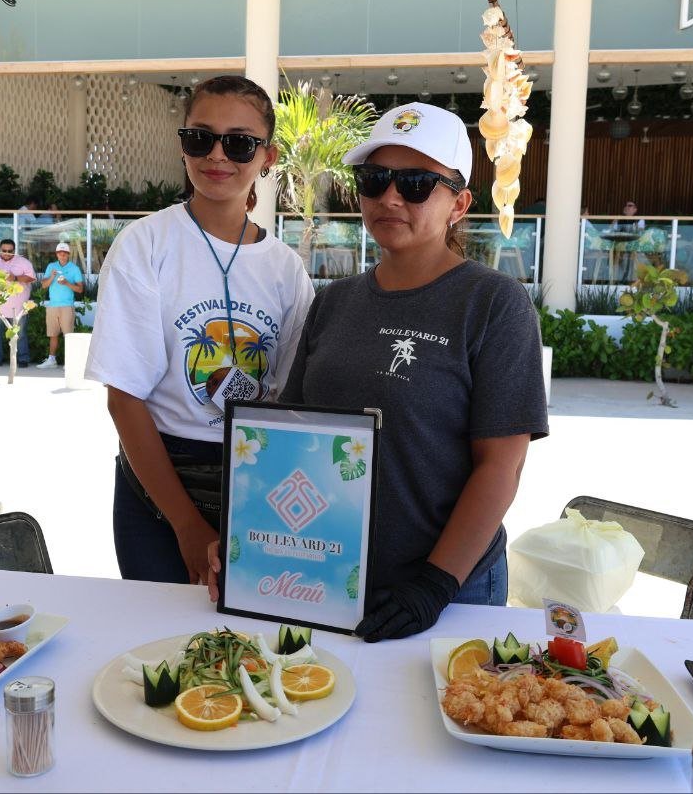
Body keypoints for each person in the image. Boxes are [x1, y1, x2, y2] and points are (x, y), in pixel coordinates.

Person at [209, 103, 548, 641]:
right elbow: (292, 440)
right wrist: (247, 543)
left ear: (459, 204)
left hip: (452, 593)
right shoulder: (333, 302)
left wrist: (435, 584)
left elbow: (501, 465)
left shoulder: (493, 304)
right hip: (327, 578)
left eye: (416, 184)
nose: (390, 197)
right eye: (374, 179)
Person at [86, 75, 314, 585]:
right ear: (183, 145)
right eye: (200, 138)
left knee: (245, 632)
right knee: (159, 628)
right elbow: (124, 398)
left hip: (259, 478)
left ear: (268, 157)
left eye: (239, 143)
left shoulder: (285, 268)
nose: (216, 155)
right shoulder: (145, 245)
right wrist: (186, 525)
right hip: (159, 480)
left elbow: (292, 400)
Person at [0, 238, 36, 368]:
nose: (7, 253)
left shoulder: (23, 262)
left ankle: (22, 359)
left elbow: (31, 278)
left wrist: (15, 277)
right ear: (0, 249)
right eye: (4, 250)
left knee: (20, 334)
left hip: (17, 307)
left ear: (14, 250)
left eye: (10, 251)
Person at [35, 241, 83, 369]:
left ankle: (70, 362)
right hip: (52, 306)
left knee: (68, 336)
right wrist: (52, 277)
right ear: (56, 254)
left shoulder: (74, 268)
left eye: (65, 253)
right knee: (53, 334)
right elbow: (44, 285)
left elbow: (80, 289)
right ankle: (52, 360)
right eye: (60, 253)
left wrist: (67, 283)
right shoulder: (51, 266)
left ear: (68, 254)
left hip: (67, 306)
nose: (62, 255)